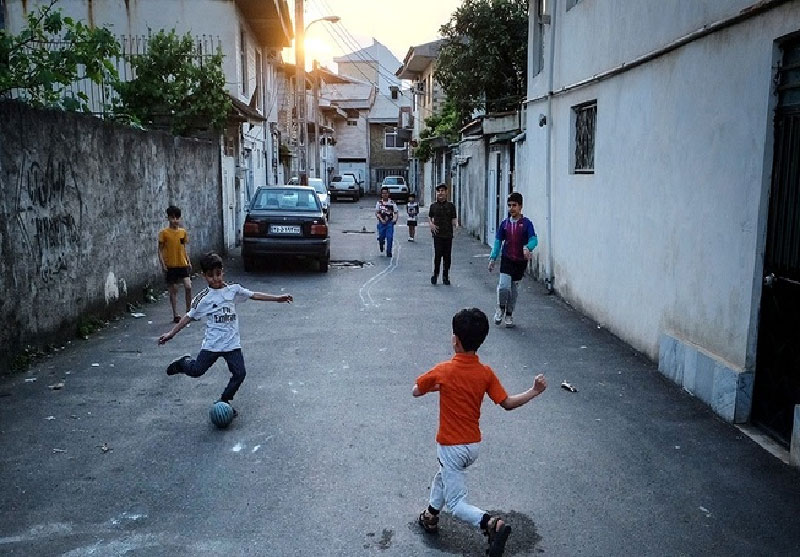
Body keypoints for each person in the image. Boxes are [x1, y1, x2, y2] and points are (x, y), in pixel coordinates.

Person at [413, 308, 547, 557]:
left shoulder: (443, 370)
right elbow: (507, 403)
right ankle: (430, 515)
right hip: (472, 447)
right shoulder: (485, 373)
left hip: (451, 446)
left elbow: (416, 390)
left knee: (456, 504)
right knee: (444, 476)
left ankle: (491, 524)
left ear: (455, 339)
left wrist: (438, 387)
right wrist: (534, 391)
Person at [158, 252, 293, 412]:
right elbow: (188, 317)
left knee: (240, 374)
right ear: (204, 276)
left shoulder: (233, 290)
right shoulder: (204, 298)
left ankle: (224, 400)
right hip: (212, 344)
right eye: (210, 276)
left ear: (223, 272)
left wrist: (277, 298)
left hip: (231, 345)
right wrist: (170, 334)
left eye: (218, 274)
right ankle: (183, 363)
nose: (215, 279)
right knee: (196, 371)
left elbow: (254, 295)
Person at [488, 192, 538, 328]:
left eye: (514, 205)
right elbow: (498, 241)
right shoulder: (505, 224)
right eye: (509, 205)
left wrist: (528, 247)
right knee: (504, 287)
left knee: (513, 290)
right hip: (507, 259)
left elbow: (534, 239)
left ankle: (509, 314)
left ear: (520, 206)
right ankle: (500, 308)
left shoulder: (527, 224)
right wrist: (493, 258)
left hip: (520, 261)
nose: (511, 208)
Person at [158, 205, 192, 323]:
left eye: (177, 218)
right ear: (168, 218)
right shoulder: (164, 233)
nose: (175, 220)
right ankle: (176, 314)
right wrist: (163, 264)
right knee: (174, 290)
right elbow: (160, 250)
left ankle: (189, 311)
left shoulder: (183, 232)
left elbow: (183, 247)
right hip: (171, 265)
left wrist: (188, 260)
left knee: (188, 286)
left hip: (182, 263)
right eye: (172, 218)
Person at [428, 183, 457, 285]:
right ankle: (435, 274)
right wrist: (431, 225)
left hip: (448, 234)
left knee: (447, 257)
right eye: (439, 191)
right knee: (437, 255)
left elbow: (454, 219)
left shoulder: (451, 206)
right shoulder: (433, 206)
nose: (440, 193)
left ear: (446, 192)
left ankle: (445, 276)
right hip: (437, 235)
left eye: (442, 191)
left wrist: (455, 225)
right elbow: (430, 217)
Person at [375, 186, 398, 257]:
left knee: (390, 237)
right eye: (383, 193)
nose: (385, 195)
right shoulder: (379, 203)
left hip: (389, 223)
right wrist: (381, 219)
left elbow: (396, 212)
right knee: (381, 237)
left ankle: (389, 252)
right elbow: (377, 213)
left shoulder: (392, 203)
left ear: (388, 194)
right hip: (382, 223)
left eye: (386, 193)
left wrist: (395, 219)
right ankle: (381, 243)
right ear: (381, 194)